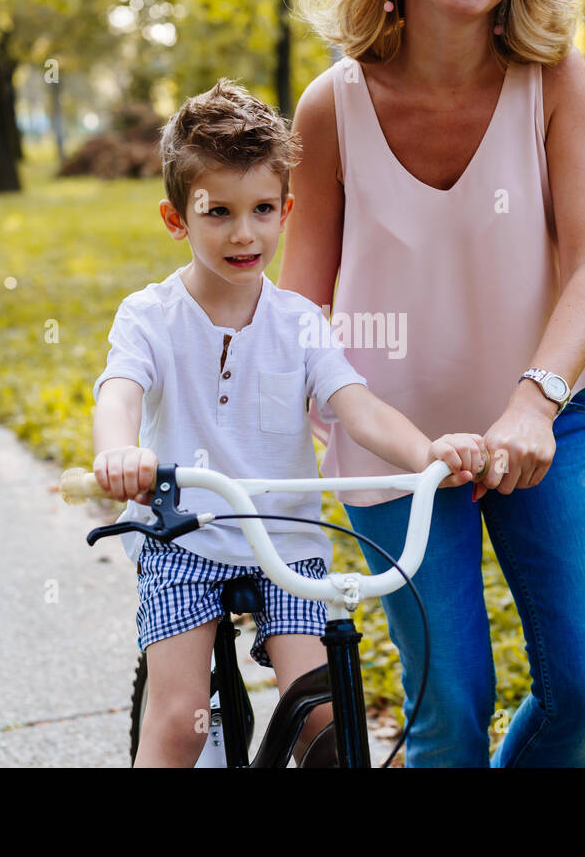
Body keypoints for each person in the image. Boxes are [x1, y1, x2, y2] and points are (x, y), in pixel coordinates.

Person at [279, 0, 585, 766]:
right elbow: (301, 306)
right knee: (449, 711)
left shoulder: (555, 81)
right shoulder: (332, 106)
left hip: (553, 416)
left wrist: (533, 403)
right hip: (395, 444)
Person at [91, 78, 492, 767]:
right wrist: (118, 452)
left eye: (262, 210)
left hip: (287, 542)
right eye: (218, 212)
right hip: (185, 536)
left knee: (324, 720)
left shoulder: (301, 322)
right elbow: (120, 391)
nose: (244, 233)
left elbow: (356, 407)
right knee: (182, 724)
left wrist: (430, 452)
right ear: (175, 218)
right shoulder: (149, 317)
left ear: (286, 211)